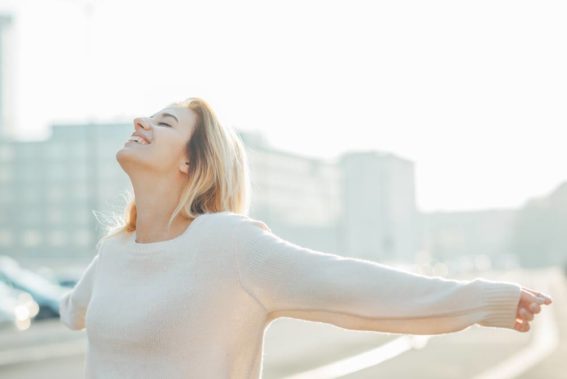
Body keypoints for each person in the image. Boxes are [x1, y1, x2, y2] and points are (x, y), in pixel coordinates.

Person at [59, 97, 553, 379]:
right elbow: (73, 310)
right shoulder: (114, 253)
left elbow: (350, 285)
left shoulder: (228, 246)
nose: (139, 121)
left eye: (164, 122)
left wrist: (483, 299)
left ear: (193, 163)